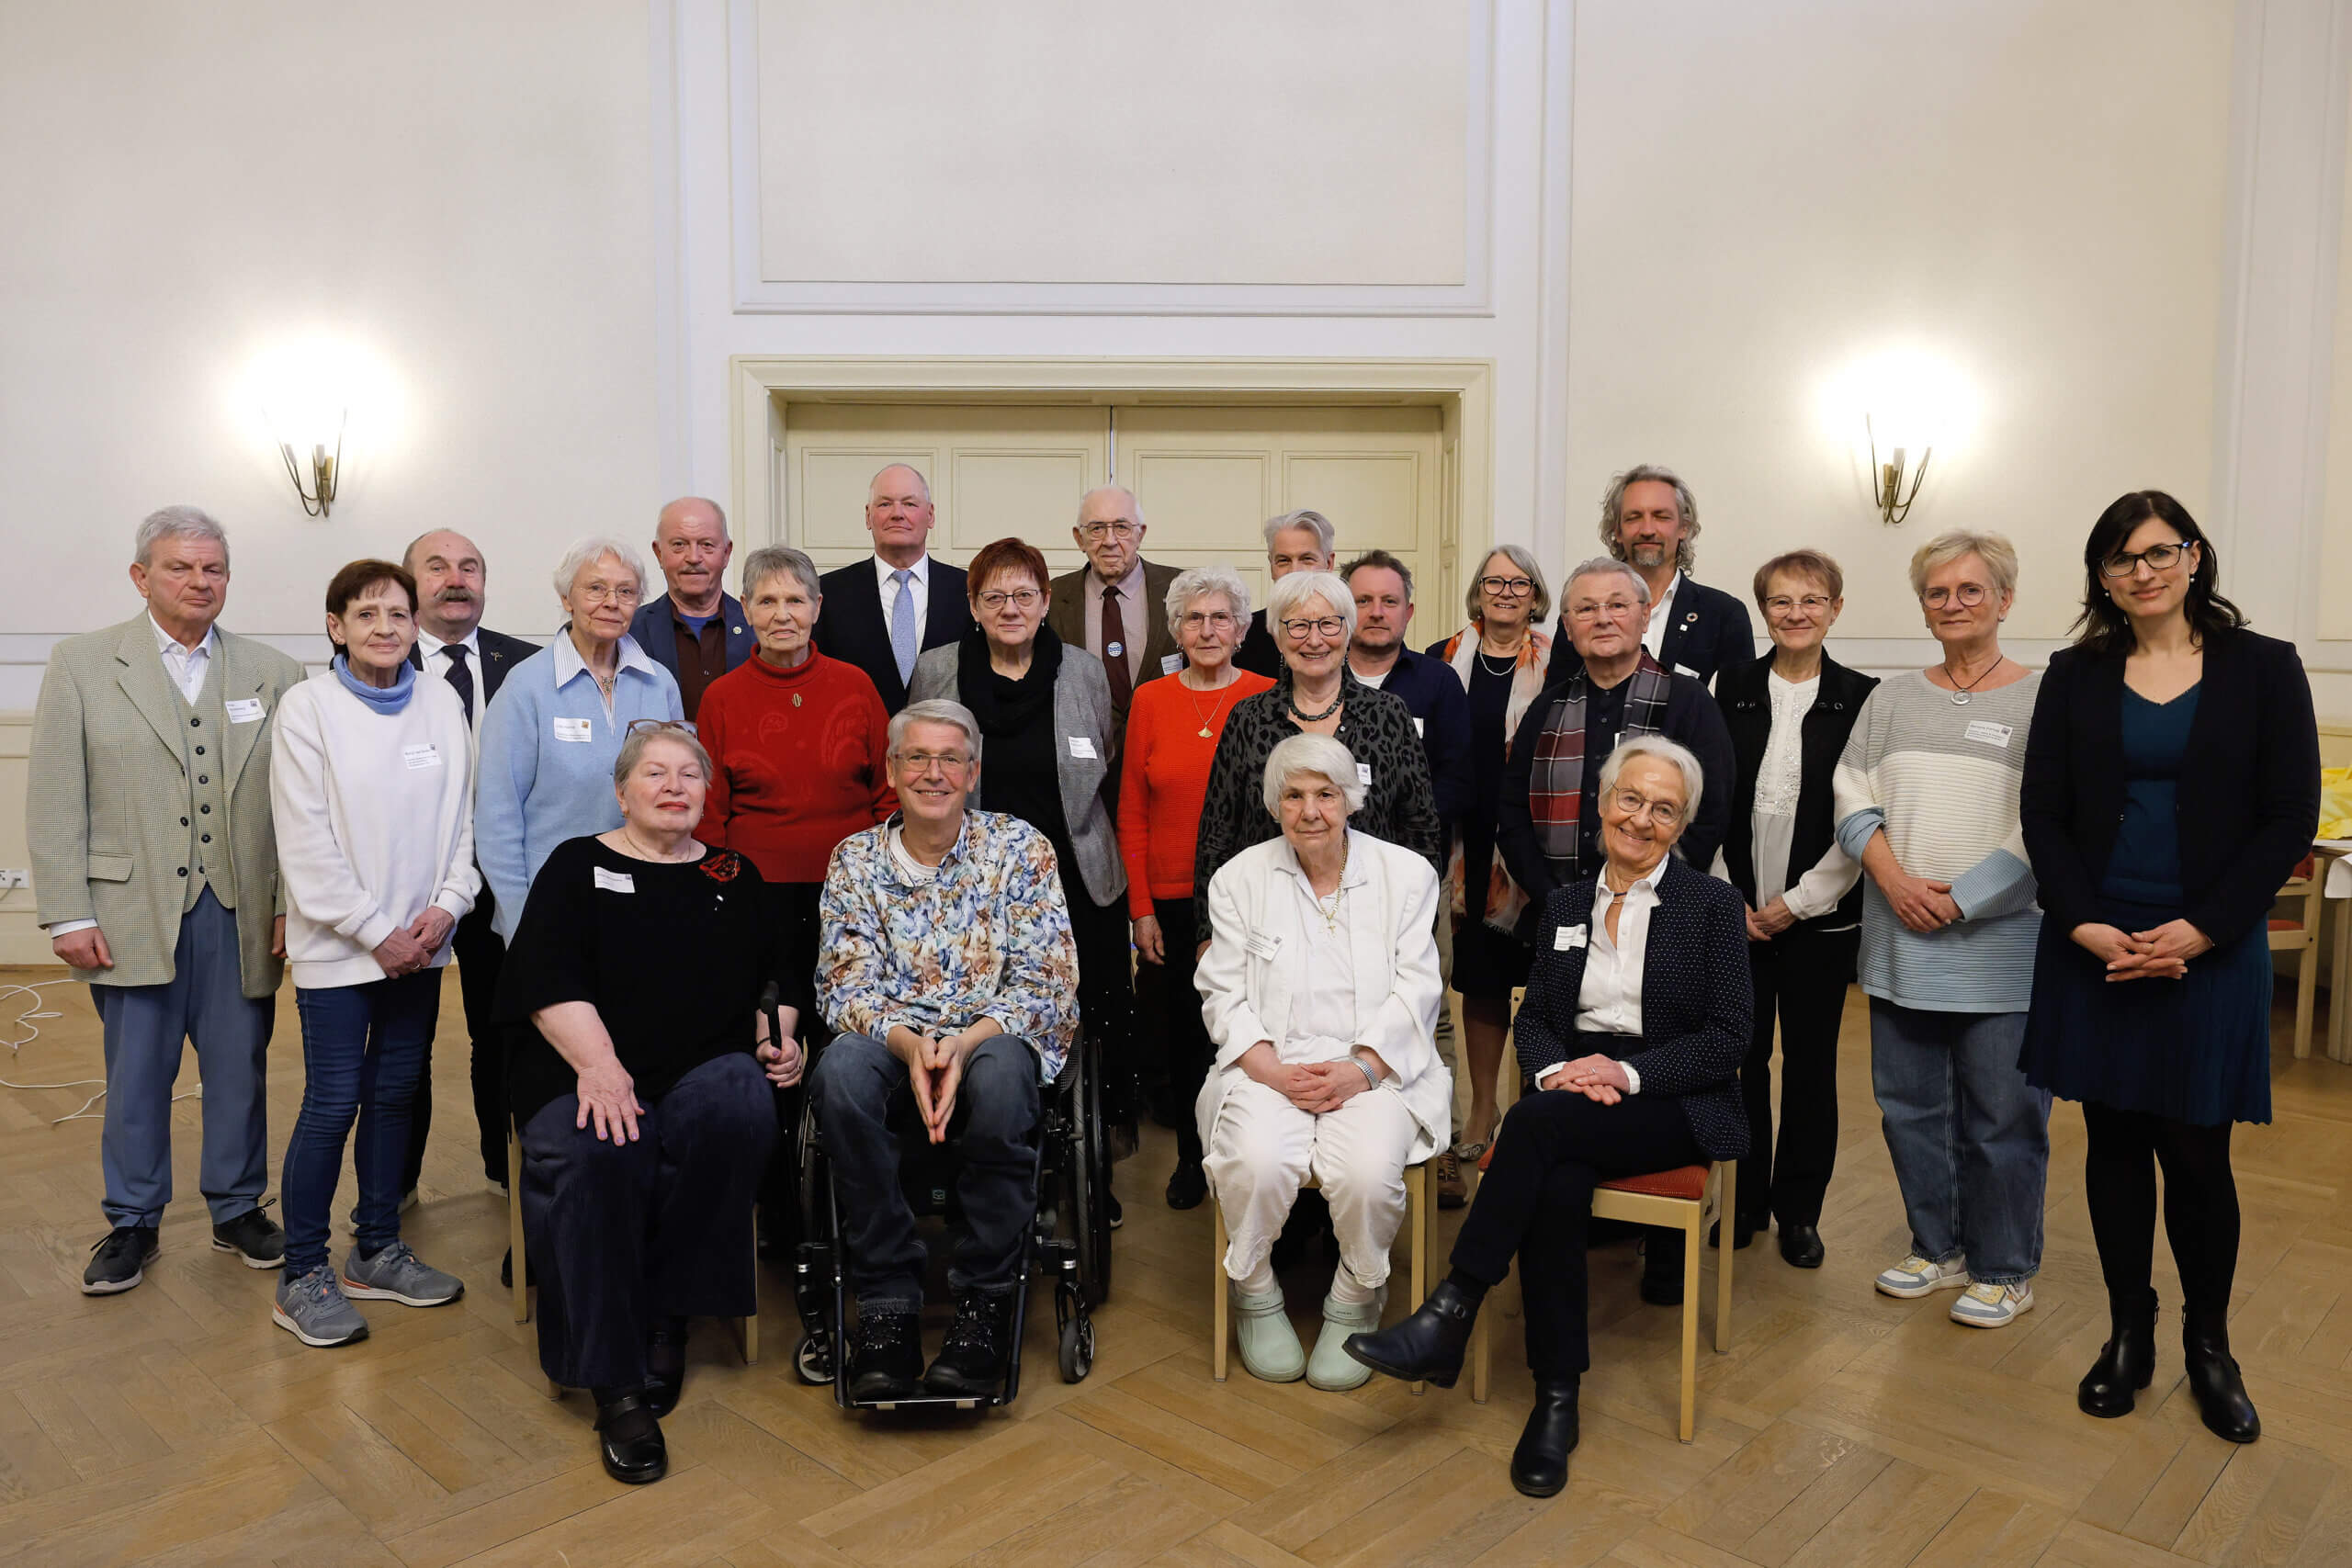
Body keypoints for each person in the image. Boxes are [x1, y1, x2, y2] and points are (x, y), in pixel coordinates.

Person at [1342, 738, 1749, 1498]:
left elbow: (1729, 1039)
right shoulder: (1564, 904)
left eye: (1664, 808)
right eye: (1631, 798)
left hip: (1673, 1095)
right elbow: (1535, 1020)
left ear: (1683, 823)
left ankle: (1452, 1310)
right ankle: (1556, 1397)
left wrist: (1624, 1072)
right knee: (1556, 1180)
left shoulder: (1713, 905)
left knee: (1532, 1126)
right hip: (1574, 1091)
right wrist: (1561, 1071)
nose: (1642, 819)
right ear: (1603, 802)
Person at [2020, 492, 2319, 1444]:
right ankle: (2128, 1331)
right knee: (2112, 1143)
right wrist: (2084, 923)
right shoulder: (2074, 673)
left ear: (2194, 556)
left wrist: (2205, 928)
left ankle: (2209, 1344)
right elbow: (2043, 813)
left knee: (2196, 1151)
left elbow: (2290, 814)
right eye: (2120, 559)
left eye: (2158, 552)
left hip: (2208, 945)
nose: (2141, 572)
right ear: (2101, 578)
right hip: (2099, 942)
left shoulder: (2263, 667)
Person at [498, 722, 805, 1484]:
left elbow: (781, 973)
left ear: (707, 792)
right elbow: (543, 976)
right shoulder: (576, 865)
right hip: (580, 1066)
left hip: (698, 1068)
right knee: (605, 1145)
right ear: (621, 790)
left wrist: (780, 1037)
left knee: (742, 1106)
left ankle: (669, 1311)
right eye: (655, 773)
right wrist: (600, 1067)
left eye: (688, 774)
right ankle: (615, 1383)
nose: (673, 786)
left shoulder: (733, 873)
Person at [28, 506, 303, 1294]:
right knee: (137, 1076)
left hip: (240, 907)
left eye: (213, 568)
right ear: (141, 576)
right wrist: (69, 910)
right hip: (128, 910)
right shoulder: (82, 663)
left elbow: (298, 804)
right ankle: (132, 1219)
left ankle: (237, 1206)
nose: (198, 581)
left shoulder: (275, 673)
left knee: (239, 1068)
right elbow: (55, 795)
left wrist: (289, 901)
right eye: (180, 567)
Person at [812, 700, 1081, 1402]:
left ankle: (985, 1301)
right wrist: (911, 1047)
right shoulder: (854, 860)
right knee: (839, 1075)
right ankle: (886, 1302)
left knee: (1002, 1082)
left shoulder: (1020, 848)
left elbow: (1048, 980)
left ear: (972, 771)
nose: (934, 772)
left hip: (990, 1032)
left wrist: (962, 1043)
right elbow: (844, 984)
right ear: (892, 770)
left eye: (950, 759)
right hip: (890, 1034)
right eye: (917, 757)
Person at [1833, 529, 2049, 1329]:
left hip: (2002, 952)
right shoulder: (1890, 699)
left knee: (2003, 1118)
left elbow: (2049, 822)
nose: (1952, 603)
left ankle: (2004, 1268)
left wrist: (1964, 898)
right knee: (1909, 1110)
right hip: (1900, 942)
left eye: (1970, 589)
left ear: (2005, 598)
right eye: (1937, 592)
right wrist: (1893, 880)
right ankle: (1938, 1246)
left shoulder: (2044, 699)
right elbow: (1851, 793)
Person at [266, 559, 478, 1348]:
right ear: (336, 626)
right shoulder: (307, 709)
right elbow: (305, 842)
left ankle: (377, 1249)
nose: (385, 627)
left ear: (416, 625)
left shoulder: (440, 699)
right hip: (341, 948)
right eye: (366, 614)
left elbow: (464, 820)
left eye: (398, 613)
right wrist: (374, 930)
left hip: (421, 944)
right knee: (332, 1102)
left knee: (394, 1095)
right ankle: (302, 1272)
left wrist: (446, 906)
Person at [1196, 735, 1450, 1391]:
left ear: (1351, 800)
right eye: (1293, 795)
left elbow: (1419, 988)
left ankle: (1356, 1292)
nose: (1310, 811)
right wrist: (1273, 1072)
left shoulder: (1406, 876)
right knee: (1255, 1160)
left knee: (1365, 1172)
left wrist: (1361, 1069)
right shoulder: (1238, 880)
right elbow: (1222, 993)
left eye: (1325, 794)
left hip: (1375, 1070)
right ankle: (1255, 1288)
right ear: (1274, 805)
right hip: (1268, 1067)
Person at [910, 537, 1134, 1216]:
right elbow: (923, 765)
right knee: (986, 1015)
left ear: (1045, 601)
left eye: (1024, 595)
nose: (1011, 608)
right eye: (995, 596)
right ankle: (984, 1159)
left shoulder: (1083, 671)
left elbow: (1104, 762)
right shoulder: (938, 669)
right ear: (974, 606)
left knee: (1089, 1020)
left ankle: (1091, 1173)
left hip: (1075, 875)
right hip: (969, 883)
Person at [693, 544, 895, 1235]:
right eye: (767, 601)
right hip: (758, 900)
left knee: (845, 1038)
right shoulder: (722, 698)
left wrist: (881, 882)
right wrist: (722, 905)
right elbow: (710, 814)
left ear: (817, 608)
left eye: (796, 600)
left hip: (852, 895)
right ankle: (781, 1208)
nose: (782, 613)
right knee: (773, 1045)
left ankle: (850, 1194)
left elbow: (885, 794)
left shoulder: (856, 686)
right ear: (746, 611)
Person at [1713, 550, 1876, 1268]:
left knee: (1810, 1067)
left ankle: (1799, 1212)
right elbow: (1708, 797)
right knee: (1742, 1061)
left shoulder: (1863, 697)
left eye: (1812, 600)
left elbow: (1866, 815)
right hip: (1735, 915)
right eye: (1781, 601)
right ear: (1764, 611)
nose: (1796, 613)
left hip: (1821, 919)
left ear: (1835, 608)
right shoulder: (1729, 687)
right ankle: (1744, 1201)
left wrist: (1798, 903)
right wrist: (1731, 898)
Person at [1117, 569, 1274, 1209]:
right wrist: (1141, 908)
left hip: (1258, 897)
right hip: (1174, 898)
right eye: (1193, 618)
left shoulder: (1269, 694)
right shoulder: (1151, 700)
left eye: (1220, 618)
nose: (1207, 630)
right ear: (1176, 631)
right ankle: (1191, 1156)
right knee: (1185, 1035)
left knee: (1256, 1030)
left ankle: (1252, 1159)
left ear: (1241, 630)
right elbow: (1132, 810)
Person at [398, 528, 538, 1205]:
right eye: (437, 567)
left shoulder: (529, 663)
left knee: (501, 1030)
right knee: (406, 1039)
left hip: (501, 873)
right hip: (413, 881)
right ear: (409, 583)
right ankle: (396, 1183)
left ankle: (504, 1168)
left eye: (470, 567)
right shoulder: (378, 659)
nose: (456, 579)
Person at [1498, 558, 1735, 957]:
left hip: (1662, 918)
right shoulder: (1546, 709)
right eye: (1586, 609)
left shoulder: (1688, 701)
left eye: (1618, 605)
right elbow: (1512, 813)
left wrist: (1648, 892)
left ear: (1644, 617)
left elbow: (1711, 812)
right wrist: (1554, 898)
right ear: (1568, 628)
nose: (1603, 618)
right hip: (1558, 917)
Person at [475, 536, 684, 945]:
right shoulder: (526, 686)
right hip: (552, 900)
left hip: (649, 895)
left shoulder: (660, 683)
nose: (612, 602)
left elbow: (678, 796)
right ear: (566, 598)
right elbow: (497, 816)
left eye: (626, 591)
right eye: (596, 588)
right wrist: (520, 918)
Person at [1342, 547, 1471, 1201]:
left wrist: (1396, 851)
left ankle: (1440, 1141)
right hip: (1324, 880)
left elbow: (1456, 778)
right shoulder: (1314, 674)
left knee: (1429, 1009)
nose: (1376, 611)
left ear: (1409, 610)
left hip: (1415, 876)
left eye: (1388, 601)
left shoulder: (1438, 683)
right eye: (1363, 600)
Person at [1427, 545, 1554, 1204]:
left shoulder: (1561, 660)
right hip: (1464, 844)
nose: (1505, 591)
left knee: (1543, 982)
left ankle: (1533, 1113)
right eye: (1494, 581)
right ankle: (1482, 1107)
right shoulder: (1440, 657)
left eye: (1519, 582)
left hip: (1536, 843)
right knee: (1480, 980)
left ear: (1536, 595)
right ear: (1477, 592)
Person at [1195, 570, 1442, 906]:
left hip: (1374, 912)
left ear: (1348, 630)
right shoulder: (1248, 719)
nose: (1314, 640)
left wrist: (1419, 918)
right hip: (1265, 913)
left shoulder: (1388, 714)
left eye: (1328, 624)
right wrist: (1210, 927)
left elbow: (1421, 830)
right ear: (1277, 637)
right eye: (1298, 625)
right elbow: (1217, 836)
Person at [1545, 465, 1755, 690]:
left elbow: (1737, 707)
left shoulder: (1723, 615)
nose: (1647, 530)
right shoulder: (1583, 612)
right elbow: (1557, 701)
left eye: (1661, 517)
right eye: (1633, 517)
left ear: (1684, 528)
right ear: (1617, 531)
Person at [814, 464, 975, 714]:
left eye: (909, 504)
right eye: (885, 504)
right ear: (868, 516)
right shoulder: (827, 593)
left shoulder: (969, 591)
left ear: (930, 515)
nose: (897, 514)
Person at [1046, 484, 1182, 773]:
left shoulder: (1182, 590)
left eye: (1121, 527)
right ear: (1079, 538)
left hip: (1166, 761)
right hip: (1082, 770)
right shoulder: (1051, 600)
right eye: (1096, 529)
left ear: (1140, 534)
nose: (1109, 541)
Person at [628, 497, 754, 720]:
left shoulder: (758, 628)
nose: (694, 558)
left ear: (726, 553)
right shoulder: (629, 633)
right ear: (659, 553)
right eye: (679, 545)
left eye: (707, 545)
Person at [1235, 509, 1337, 677]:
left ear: (1329, 563)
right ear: (1271, 566)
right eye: (1283, 561)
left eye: (1307, 559)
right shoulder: (1243, 635)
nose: (1294, 571)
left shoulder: (1350, 633)